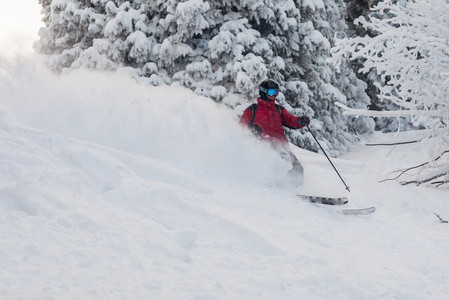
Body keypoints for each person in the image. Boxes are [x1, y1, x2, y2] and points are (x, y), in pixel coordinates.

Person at [239, 79, 310, 186]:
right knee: (280, 162)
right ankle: (273, 187)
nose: (274, 95)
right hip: (264, 145)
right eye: (271, 92)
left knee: (297, 167)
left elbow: (291, 121)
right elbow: (240, 128)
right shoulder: (252, 110)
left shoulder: (279, 110)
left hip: (281, 145)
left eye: (276, 92)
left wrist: (300, 121)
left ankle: (296, 189)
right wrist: (252, 131)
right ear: (263, 92)